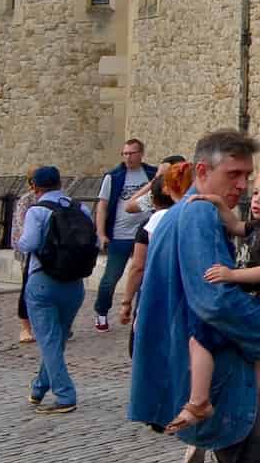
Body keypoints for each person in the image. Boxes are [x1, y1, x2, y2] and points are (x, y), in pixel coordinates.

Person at [130, 129, 260, 463]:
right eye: (233, 174)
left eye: (247, 176)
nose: (243, 185)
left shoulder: (187, 212)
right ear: (202, 171)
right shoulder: (199, 214)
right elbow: (214, 300)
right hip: (224, 379)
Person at [167, 166, 260, 449]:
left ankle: (199, 401)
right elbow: (235, 226)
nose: (255, 199)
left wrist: (231, 275)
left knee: (201, 334)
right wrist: (217, 202)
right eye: (255, 193)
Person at [16, 165, 93, 413]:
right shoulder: (81, 208)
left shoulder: (37, 210)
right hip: (74, 282)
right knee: (56, 339)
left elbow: (29, 243)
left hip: (43, 280)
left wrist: (18, 240)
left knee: (49, 341)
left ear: (36, 188)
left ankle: (65, 394)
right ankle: (39, 388)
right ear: (60, 183)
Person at [120, 160, 196, 329]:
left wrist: (126, 301)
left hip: (160, 286)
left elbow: (138, 266)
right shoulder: (197, 211)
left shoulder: (155, 218)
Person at [94, 137, 156, 331]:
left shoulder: (151, 174)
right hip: (120, 234)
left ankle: (139, 313)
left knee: (144, 275)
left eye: (132, 153)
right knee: (111, 276)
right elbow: (102, 207)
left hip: (145, 233)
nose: (128, 157)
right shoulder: (113, 176)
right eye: (125, 153)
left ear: (141, 154)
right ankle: (101, 312)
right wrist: (101, 233)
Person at [12, 168, 42, 342]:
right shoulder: (26, 200)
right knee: (28, 287)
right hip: (28, 250)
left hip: (49, 251)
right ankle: (25, 327)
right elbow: (22, 226)